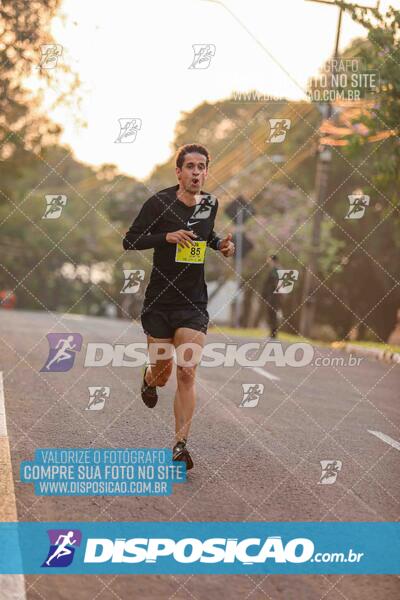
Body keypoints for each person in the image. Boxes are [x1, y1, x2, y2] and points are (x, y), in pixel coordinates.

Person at [123, 144, 235, 470]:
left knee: (187, 372)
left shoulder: (210, 203)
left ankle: (180, 445)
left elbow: (206, 234)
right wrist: (166, 237)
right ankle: (148, 378)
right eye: (190, 166)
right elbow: (130, 240)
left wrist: (220, 246)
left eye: (202, 167)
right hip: (159, 302)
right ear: (179, 172)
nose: (197, 172)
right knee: (163, 374)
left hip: (192, 302)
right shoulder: (158, 202)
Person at [262, 255, 280, 339]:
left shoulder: (275, 270)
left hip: (274, 296)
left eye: (269, 259)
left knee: (272, 313)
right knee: (271, 314)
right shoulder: (273, 270)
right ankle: (272, 333)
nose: (268, 261)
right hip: (271, 295)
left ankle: (273, 333)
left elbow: (275, 283)